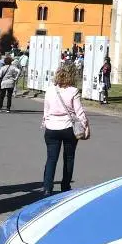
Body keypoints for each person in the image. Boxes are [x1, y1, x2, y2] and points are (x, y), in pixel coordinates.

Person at [42, 63, 89, 196]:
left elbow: (46, 110)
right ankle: (65, 186)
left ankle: (47, 187)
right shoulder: (73, 91)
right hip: (68, 127)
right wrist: (84, 126)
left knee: (51, 158)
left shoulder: (50, 90)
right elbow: (79, 112)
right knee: (69, 157)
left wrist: (45, 122)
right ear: (72, 75)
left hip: (51, 127)